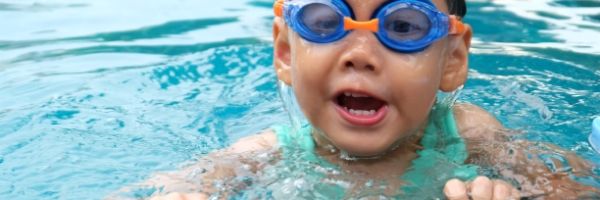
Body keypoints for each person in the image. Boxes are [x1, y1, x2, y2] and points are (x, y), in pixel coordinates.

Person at [124, 0, 599, 199]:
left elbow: (571, 186)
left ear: (452, 60)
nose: (361, 56)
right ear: (286, 51)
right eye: (325, 21)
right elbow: (179, 185)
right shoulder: (266, 154)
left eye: (404, 26)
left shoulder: (469, 134)